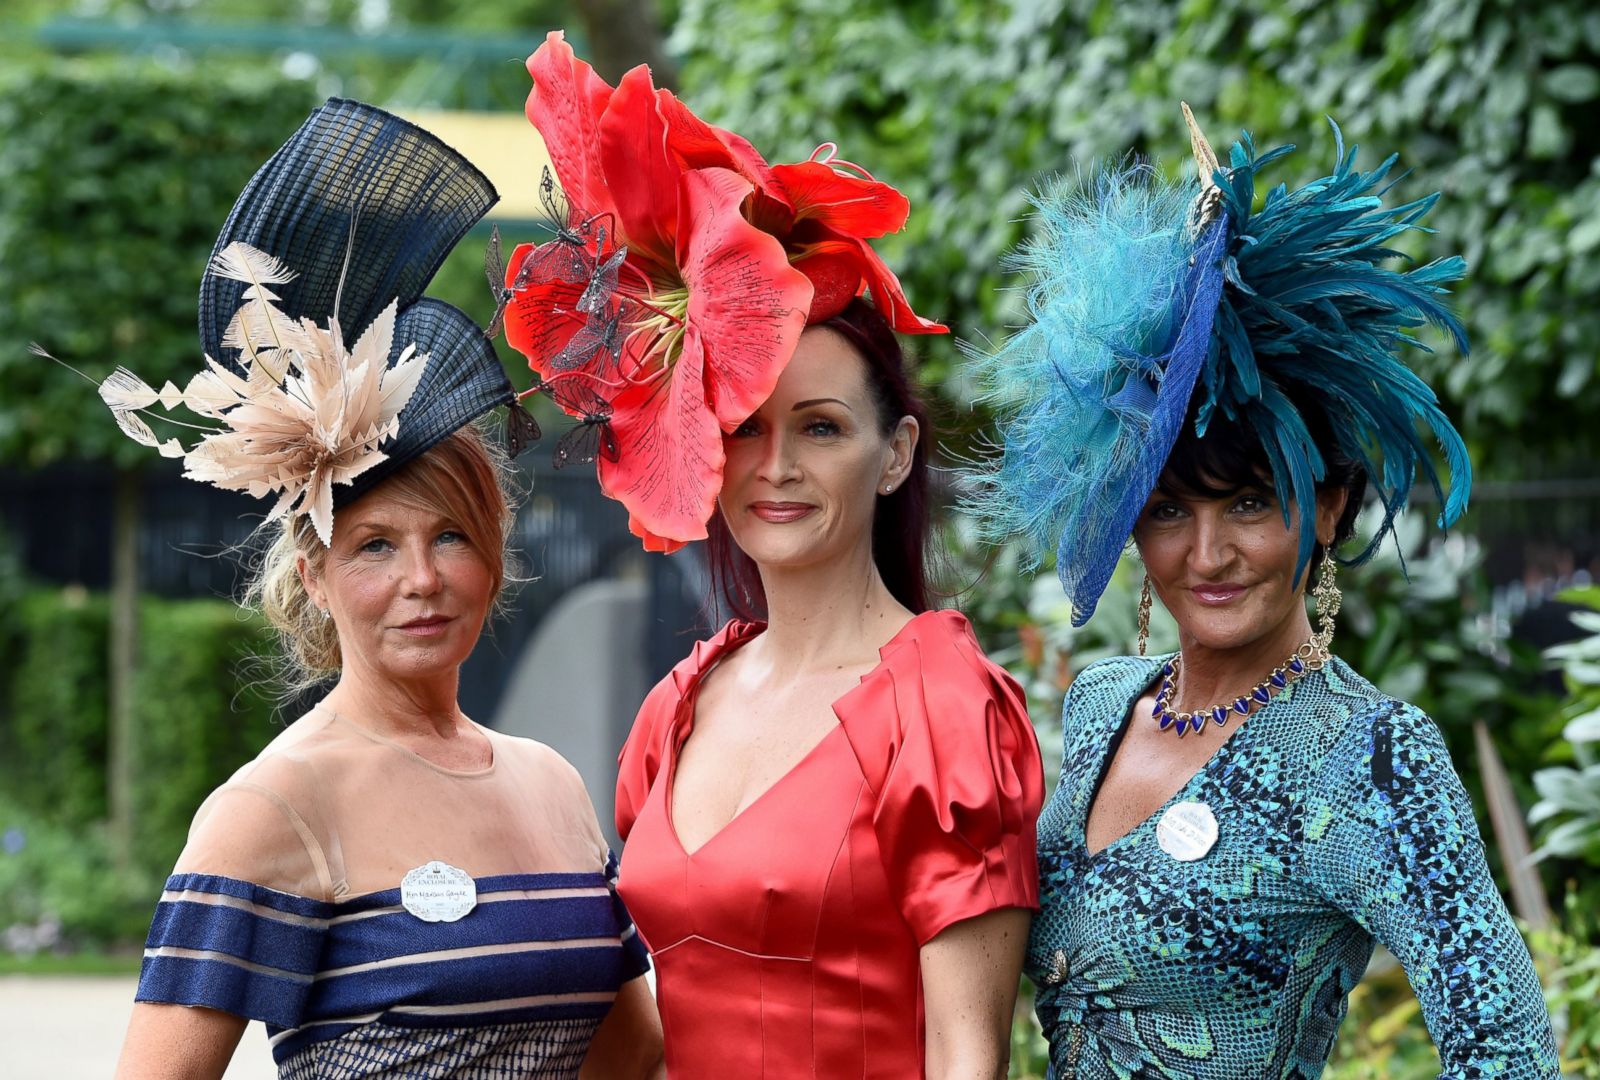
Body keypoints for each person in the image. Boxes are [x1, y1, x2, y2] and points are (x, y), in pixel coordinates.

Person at [961, 106, 1560, 1076]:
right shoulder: (1104, 700)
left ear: (1326, 508)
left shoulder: (1374, 758)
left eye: (1247, 502)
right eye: (1165, 510)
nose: (1207, 553)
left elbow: (1505, 1048)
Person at [499, 34, 1045, 1078]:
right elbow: (649, 1024)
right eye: (745, 423)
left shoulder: (942, 709)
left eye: (823, 428)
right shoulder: (678, 707)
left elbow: (970, 1057)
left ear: (895, 457)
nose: (776, 466)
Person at [106, 99, 661, 1080]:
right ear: (313, 574)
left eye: (451, 535)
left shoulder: (552, 785)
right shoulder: (271, 806)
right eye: (372, 547)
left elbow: (629, 1053)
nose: (421, 580)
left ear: (493, 556)